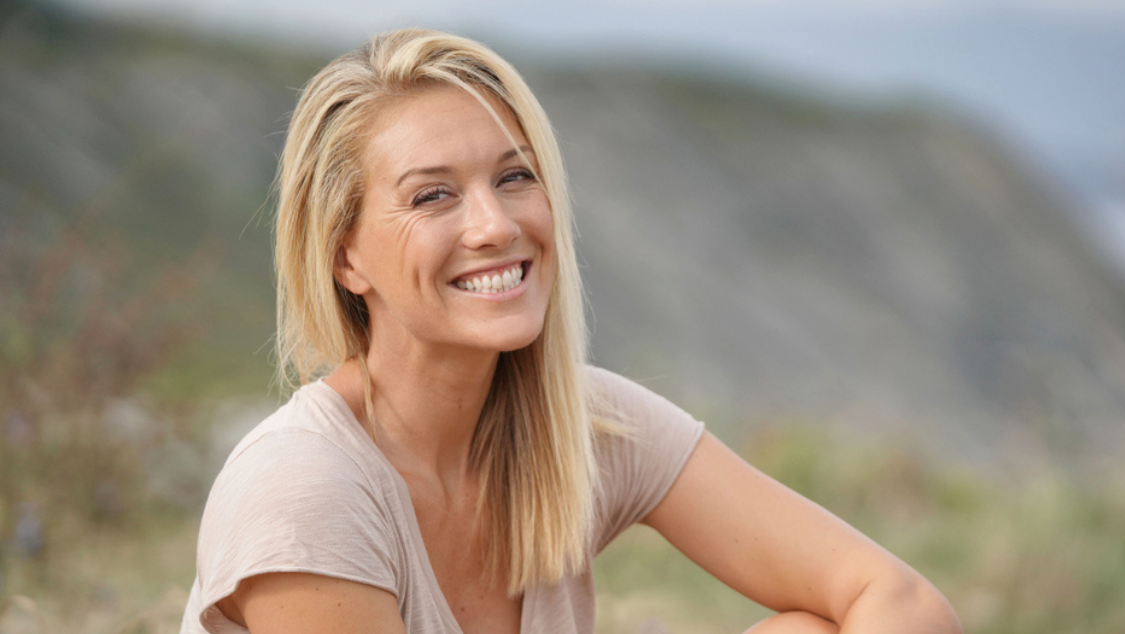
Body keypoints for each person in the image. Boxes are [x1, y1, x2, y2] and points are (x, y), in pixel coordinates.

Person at [180, 28, 962, 634]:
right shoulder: (304, 492)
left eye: (515, 177)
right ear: (346, 257)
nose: (494, 225)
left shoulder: (582, 426)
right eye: (432, 197)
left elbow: (897, 599)